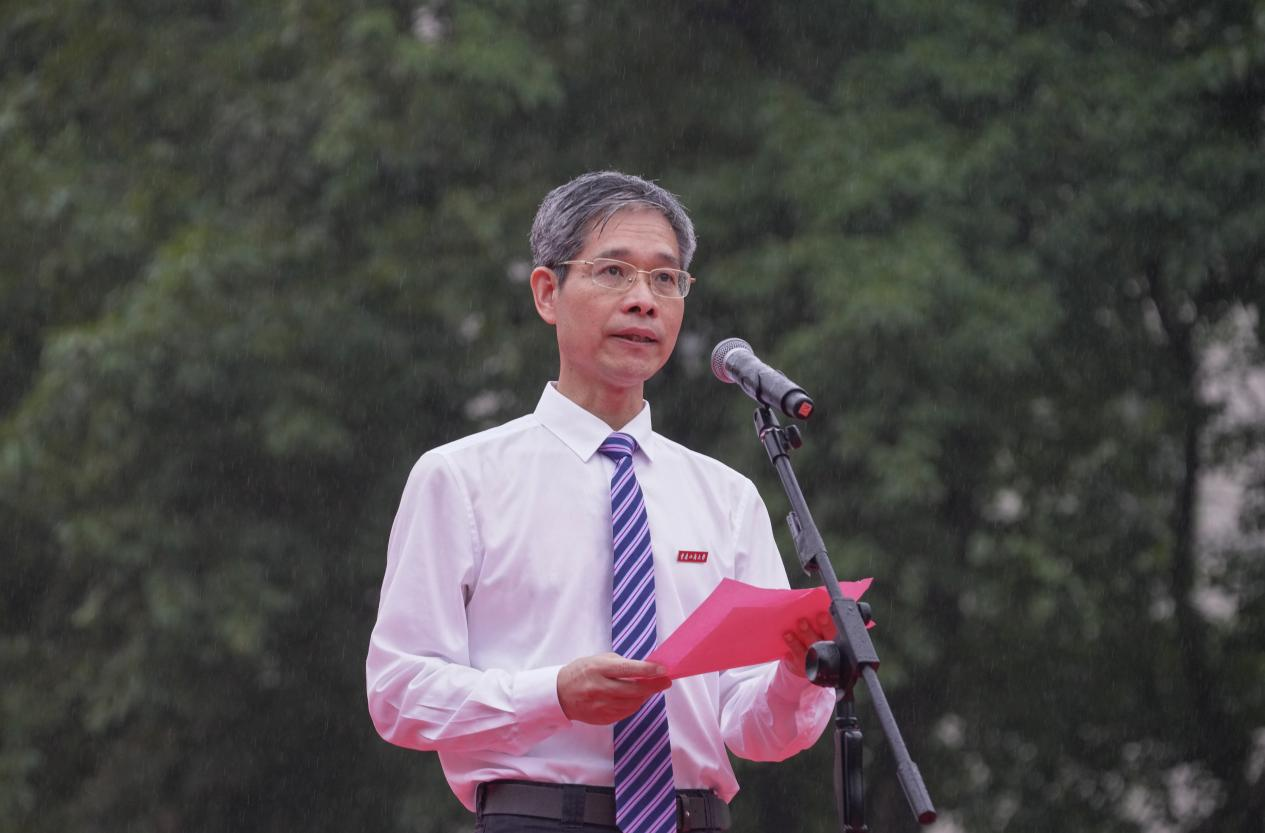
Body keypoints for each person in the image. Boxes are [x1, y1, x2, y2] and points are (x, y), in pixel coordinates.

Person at [366, 171, 834, 833]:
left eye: (665, 278)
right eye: (613, 271)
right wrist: (552, 694)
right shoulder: (461, 478)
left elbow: (754, 729)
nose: (643, 300)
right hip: (539, 819)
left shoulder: (727, 497)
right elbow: (398, 693)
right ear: (546, 292)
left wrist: (796, 671)